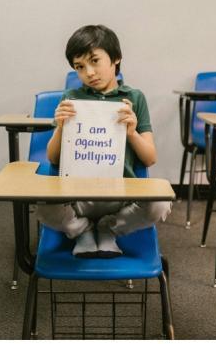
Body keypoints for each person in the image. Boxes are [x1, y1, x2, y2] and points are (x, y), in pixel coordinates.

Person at [36, 25, 172, 257]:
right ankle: (82, 231)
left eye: (95, 61)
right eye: (80, 67)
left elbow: (150, 158)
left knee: (160, 205)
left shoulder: (134, 98)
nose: (89, 72)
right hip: (77, 194)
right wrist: (60, 127)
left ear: (116, 59)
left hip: (121, 195)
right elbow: (52, 157)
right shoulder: (71, 98)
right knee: (42, 206)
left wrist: (132, 133)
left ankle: (109, 229)